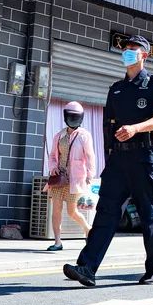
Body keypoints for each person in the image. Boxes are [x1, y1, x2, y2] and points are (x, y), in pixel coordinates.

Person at [63, 36, 153, 287]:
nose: (128, 54)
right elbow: (107, 127)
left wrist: (135, 129)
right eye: (126, 50)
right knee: (106, 213)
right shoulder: (116, 89)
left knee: (149, 215)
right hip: (118, 160)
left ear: (144, 55)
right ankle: (87, 267)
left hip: (144, 158)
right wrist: (109, 158)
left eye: (133, 50)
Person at [45, 101, 97, 250]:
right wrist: (53, 167)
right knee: (56, 209)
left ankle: (88, 229)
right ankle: (57, 242)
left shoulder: (84, 136)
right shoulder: (59, 135)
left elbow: (90, 156)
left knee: (72, 211)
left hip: (76, 178)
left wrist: (90, 174)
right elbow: (53, 155)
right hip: (59, 178)